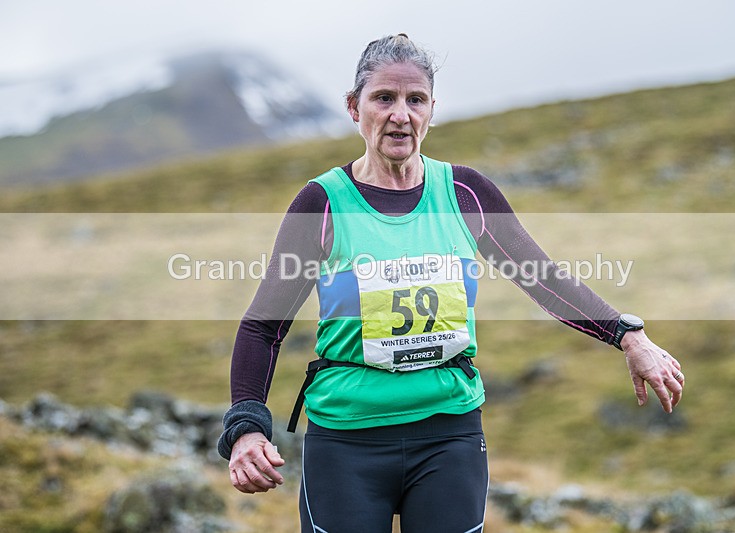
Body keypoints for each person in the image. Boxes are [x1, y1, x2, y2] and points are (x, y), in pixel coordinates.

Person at [217, 34, 684, 533]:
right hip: (347, 441)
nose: (401, 115)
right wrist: (246, 427)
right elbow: (264, 326)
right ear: (355, 108)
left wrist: (628, 335)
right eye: (384, 98)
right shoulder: (322, 203)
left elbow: (545, 280)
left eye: (415, 100)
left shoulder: (465, 194)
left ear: (432, 110)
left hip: (449, 438)